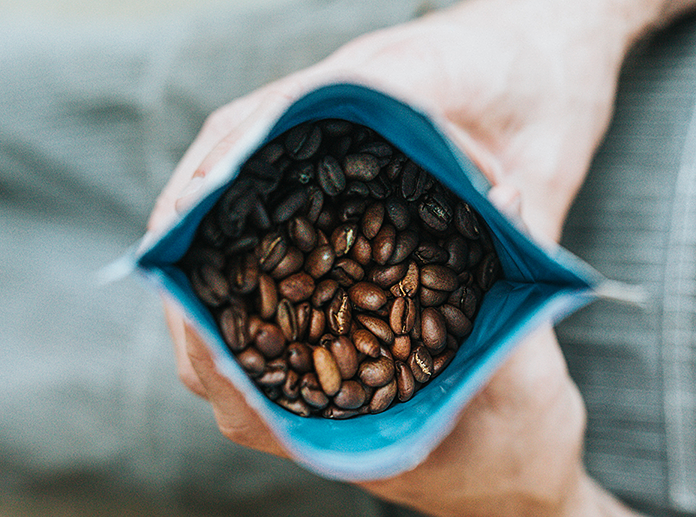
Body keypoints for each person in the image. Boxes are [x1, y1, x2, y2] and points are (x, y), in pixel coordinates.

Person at [145, 0, 696, 516]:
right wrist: (563, 31)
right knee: (145, 98)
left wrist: (549, 500)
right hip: (468, 93)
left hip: (481, 456)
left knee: (132, 419)